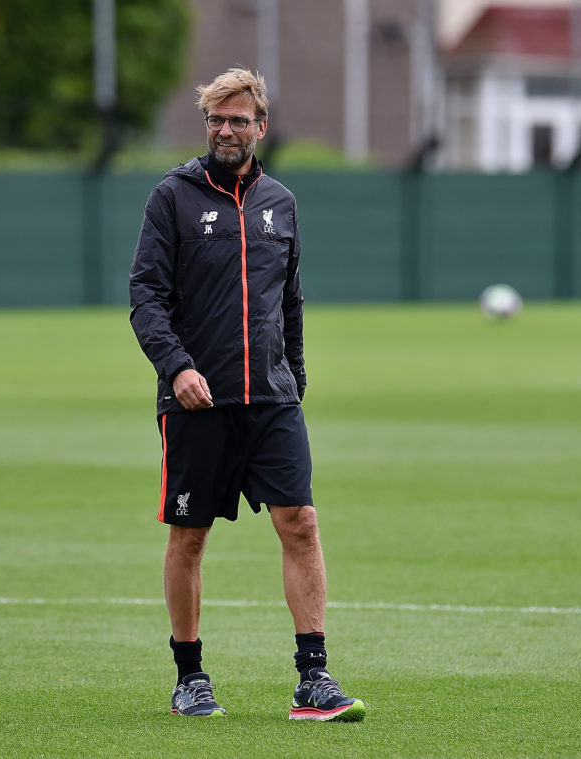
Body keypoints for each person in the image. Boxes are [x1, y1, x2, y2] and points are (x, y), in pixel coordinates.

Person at [129, 68, 365, 722]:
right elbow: (146, 297)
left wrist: (296, 376)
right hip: (196, 403)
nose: (225, 130)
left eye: (238, 120)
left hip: (272, 400)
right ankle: (189, 675)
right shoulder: (172, 197)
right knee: (190, 536)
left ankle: (312, 679)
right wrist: (176, 368)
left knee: (302, 522)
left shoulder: (281, 203)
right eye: (216, 119)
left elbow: (290, 299)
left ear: (261, 127)